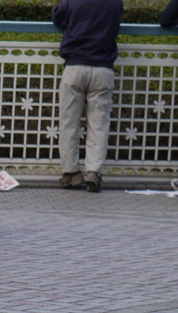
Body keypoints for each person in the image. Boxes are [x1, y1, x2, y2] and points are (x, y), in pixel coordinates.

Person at [52, 0, 123, 193]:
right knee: (99, 124)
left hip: (75, 66)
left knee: (69, 123)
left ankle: (71, 173)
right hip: (103, 69)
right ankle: (93, 172)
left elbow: (57, 16)